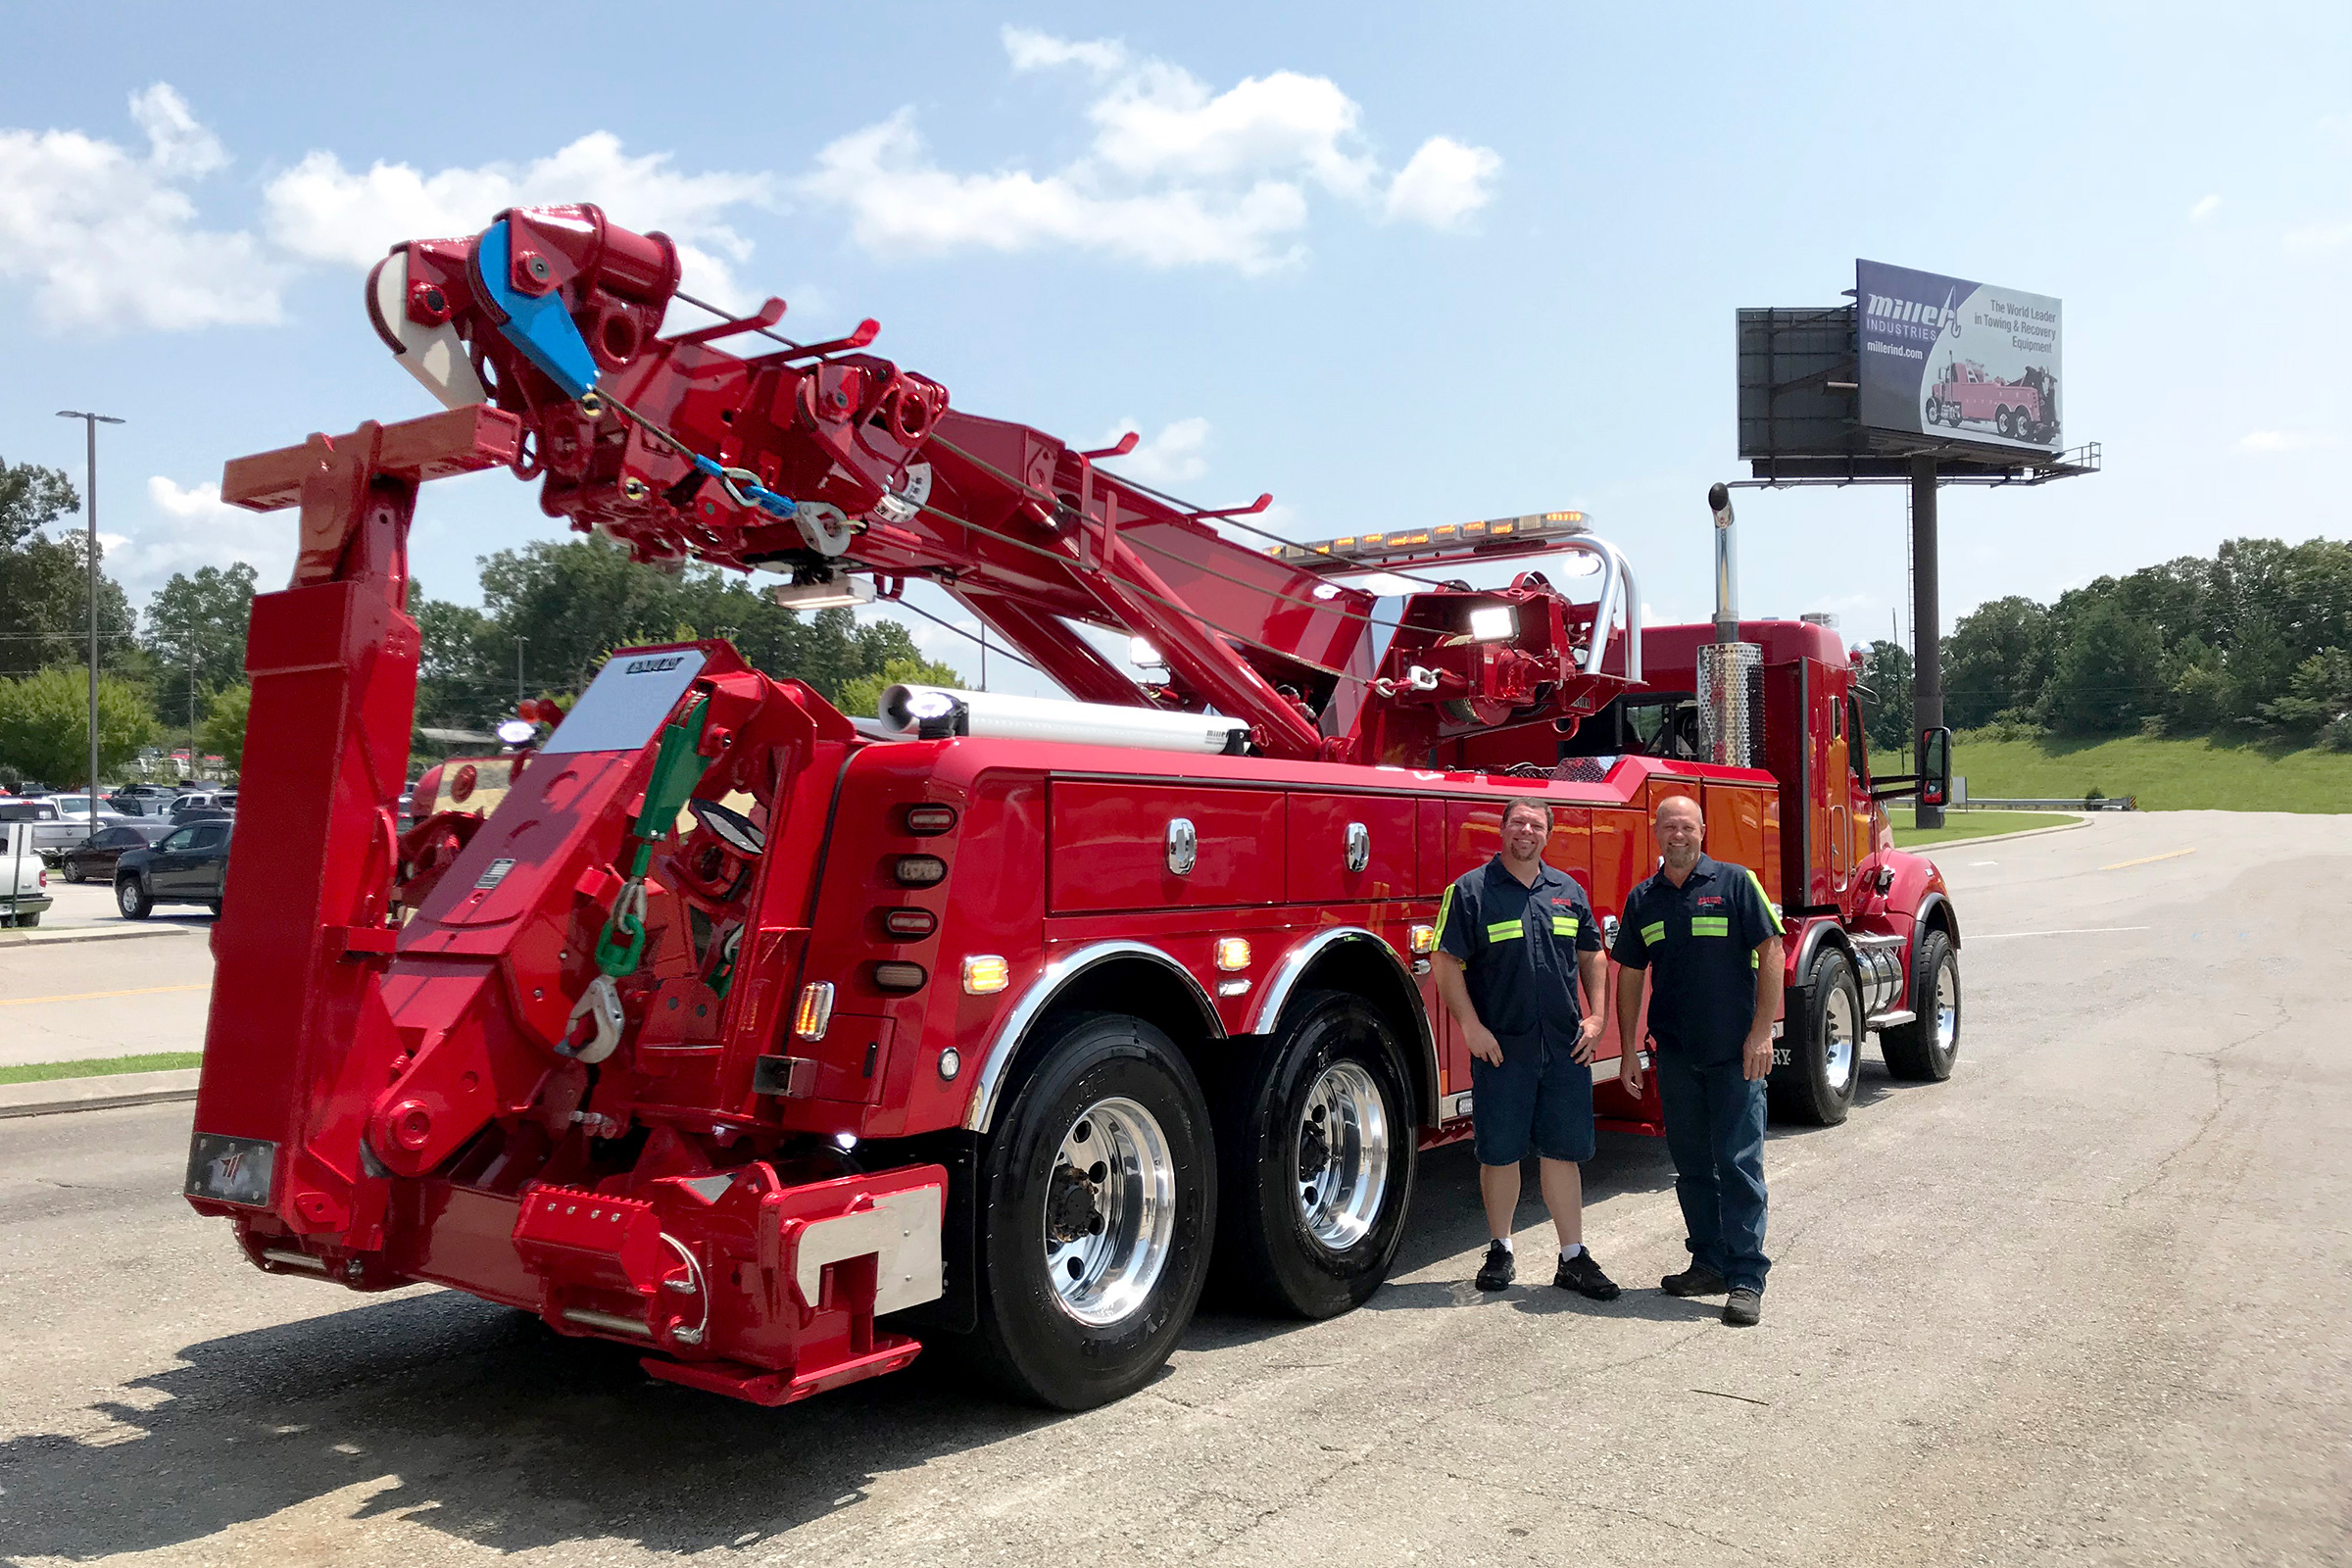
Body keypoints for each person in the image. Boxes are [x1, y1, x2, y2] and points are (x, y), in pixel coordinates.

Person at [1431, 797, 1620, 1298]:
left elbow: (1593, 955)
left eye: (1536, 824)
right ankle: (1500, 1248)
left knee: (1563, 1151)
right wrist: (1470, 1027)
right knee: (1500, 1152)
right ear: (1503, 829)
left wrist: (1597, 1017)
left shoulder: (1568, 891)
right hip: (1503, 1048)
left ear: (1547, 834)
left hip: (1563, 1047)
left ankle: (1572, 1258)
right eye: (1518, 822)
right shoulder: (1470, 892)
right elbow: (1444, 962)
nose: (1527, 831)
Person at [1612, 795, 1785, 1326]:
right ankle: (1707, 1261)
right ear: (1656, 833)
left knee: (1737, 1163)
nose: (1678, 835)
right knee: (1690, 1167)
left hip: (1735, 1054)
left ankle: (1745, 1277)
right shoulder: (1643, 899)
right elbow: (1631, 973)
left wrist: (1761, 1034)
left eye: (1686, 827)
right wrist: (1626, 1050)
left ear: (1703, 830)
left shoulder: (1735, 883)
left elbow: (1772, 952)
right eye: (1669, 827)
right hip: (1677, 1056)